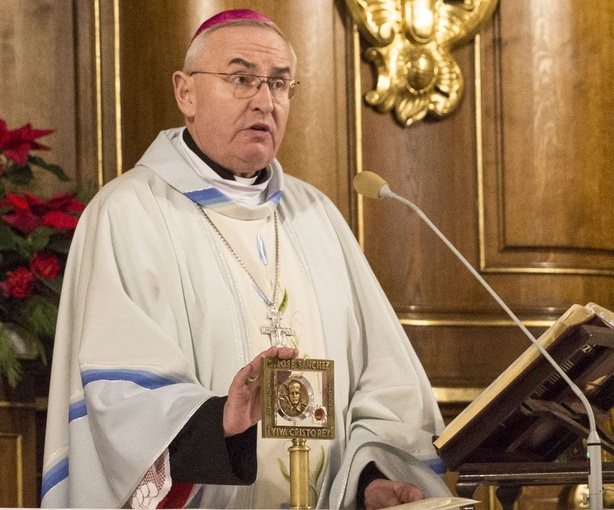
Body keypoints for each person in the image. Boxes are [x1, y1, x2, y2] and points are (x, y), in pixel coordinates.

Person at [41, 9, 450, 509]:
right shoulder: (129, 214)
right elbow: (119, 404)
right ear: (185, 93)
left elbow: (385, 384)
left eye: (279, 84)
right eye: (242, 79)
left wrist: (370, 480)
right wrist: (219, 421)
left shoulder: (315, 216)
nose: (265, 101)